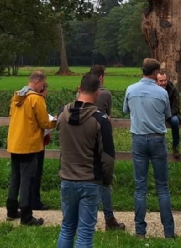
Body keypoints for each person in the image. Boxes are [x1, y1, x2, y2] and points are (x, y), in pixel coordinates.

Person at [56, 73, 116, 248]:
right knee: (84, 233)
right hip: (90, 180)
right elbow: (108, 157)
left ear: (79, 89)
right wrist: (106, 180)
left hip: (67, 178)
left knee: (67, 227)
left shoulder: (62, 114)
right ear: (97, 93)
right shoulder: (99, 120)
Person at [123, 58, 175, 239]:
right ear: (155, 74)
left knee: (140, 187)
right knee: (162, 187)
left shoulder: (131, 89)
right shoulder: (162, 93)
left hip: (138, 138)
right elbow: (167, 114)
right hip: (157, 139)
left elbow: (125, 110)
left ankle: (140, 230)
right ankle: (168, 231)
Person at [6, 70, 56, 226]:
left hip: (15, 143)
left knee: (15, 177)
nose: (42, 87)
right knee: (27, 179)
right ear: (37, 82)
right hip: (29, 145)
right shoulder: (36, 99)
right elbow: (44, 122)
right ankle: (26, 215)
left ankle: (11, 210)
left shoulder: (16, 98)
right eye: (42, 84)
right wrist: (55, 121)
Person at [88, 65, 126, 231]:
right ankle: (109, 218)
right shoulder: (106, 94)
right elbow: (108, 113)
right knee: (104, 182)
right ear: (102, 77)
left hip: (86, 139)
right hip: (103, 136)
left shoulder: (81, 94)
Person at [155, 70, 181, 159]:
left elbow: (176, 107)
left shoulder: (173, 90)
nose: (163, 83)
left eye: (165, 80)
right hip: (156, 114)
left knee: (175, 121)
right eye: (161, 81)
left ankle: (176, 146)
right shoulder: (153, 90)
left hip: (171, 113)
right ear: (156, 81)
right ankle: (156, 147)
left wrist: (166, 115)